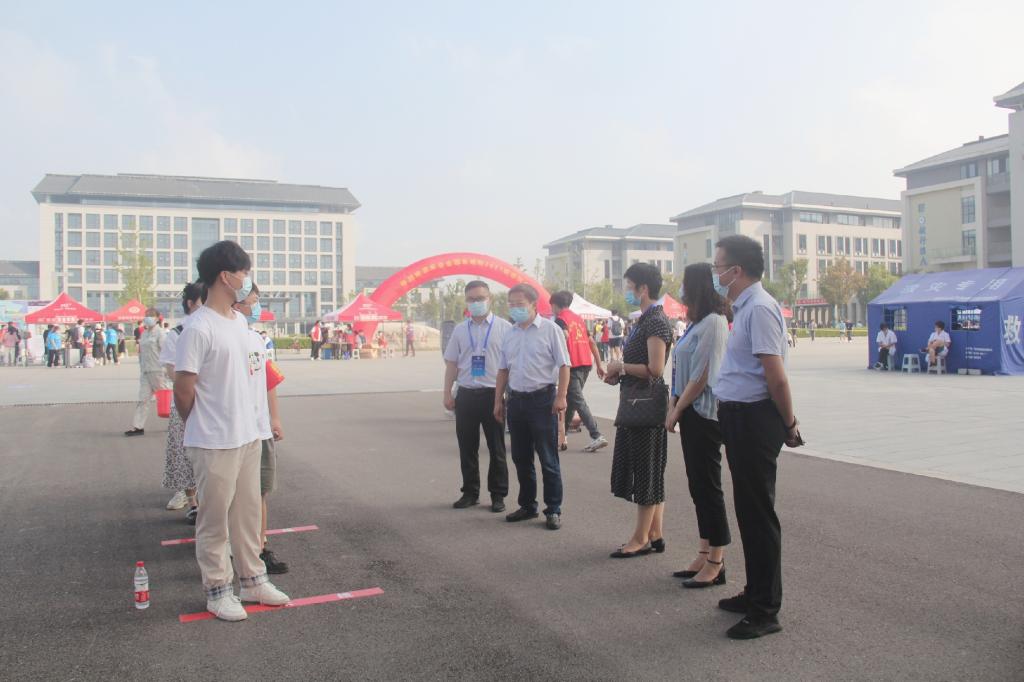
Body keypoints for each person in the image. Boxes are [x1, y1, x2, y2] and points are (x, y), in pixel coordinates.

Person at [173, 240, 289, 622]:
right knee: (214, 521)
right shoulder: (198, 328)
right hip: (214, 441)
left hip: (248, 436)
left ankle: (253, 580)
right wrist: (200, 423)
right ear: (226, 276)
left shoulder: (240, 323)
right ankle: (218, 590)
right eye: (243, 273)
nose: (247, 280)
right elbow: (183, 389)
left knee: (248, 515)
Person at [711, 235, 802, 640]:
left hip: (754, 419)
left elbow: (776, 376)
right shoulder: (744, 308)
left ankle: (766, 610)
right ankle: (755, 592)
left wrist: (789, 423)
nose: (715, 274)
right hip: (738, 417)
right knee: (748, 511)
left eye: (718, 267)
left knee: (758, 514)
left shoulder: (761, 309)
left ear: (737, 271)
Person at [664, 263, 731, 587]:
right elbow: (681, 369)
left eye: (684, 284)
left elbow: (703, 373)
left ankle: (717, 561)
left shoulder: (715, 322)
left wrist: (677, 409)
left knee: (708, 487)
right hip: (688, 411)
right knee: (697, 487)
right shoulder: (696, 323)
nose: (681, 291)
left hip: (703, 414)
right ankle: (704, 552)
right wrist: (673, 404)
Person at [604, 263, 674, 558]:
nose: (627, 292)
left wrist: (621, 366)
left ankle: (640, 538)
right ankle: (655, 533)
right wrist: (619, 373)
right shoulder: (645, 319)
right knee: (650, 471)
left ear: (643, 289)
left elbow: (655, 368)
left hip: (645, 408)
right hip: (636, 402)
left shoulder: (655, 321)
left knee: (646, 472)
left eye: (630, 286)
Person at [493, 283, 570, 531]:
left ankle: (553, 509)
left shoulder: (550, 330)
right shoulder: (510, 334)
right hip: (516, 401)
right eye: (511, 304)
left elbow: (564, 365)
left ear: (533, 304)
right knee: (521, 457)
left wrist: (561, 396)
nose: (515, 308)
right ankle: (527, 505)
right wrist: (498, 400)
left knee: (548, 458)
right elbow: (503, 369)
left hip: (542, 400)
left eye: (520, 304)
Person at [233, 282, 289, 575]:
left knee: (260, 492)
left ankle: (259, 547)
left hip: (259, 429)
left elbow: (269, 381)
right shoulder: (217, 336)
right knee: (229, 497)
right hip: (231, 433)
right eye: (252, 301)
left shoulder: (257, 339)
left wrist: (274, 418)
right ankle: (231, 551)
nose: (256, 307)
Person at [443, 281, 512, 513]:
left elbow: (510, 365)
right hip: (466, 395)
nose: (476, 303)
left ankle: (498, 495)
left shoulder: (504, 328)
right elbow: (452, 363)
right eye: (471, 299)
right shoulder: (460, 330)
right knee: (467, 447)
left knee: (497, 448)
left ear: (490, 299)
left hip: (493, 395)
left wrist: (505, 395)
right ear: (466, 302)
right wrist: (447, 393)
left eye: (480, 298)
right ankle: (470, 492)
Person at [161, 283, 204, 521]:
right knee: (185, 452)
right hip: (186, 400)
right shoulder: (177, 333)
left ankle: (206, 499)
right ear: (190, 303)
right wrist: (189, 385)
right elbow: (171, 370)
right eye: (202, 301)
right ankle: (192, 501)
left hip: (209, 401)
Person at [549, 291, 608, 453]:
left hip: (572, 366)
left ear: (554, 305)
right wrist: (599, 364)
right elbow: (591, 342)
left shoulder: (561, 320)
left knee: (577, 401)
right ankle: (562, 437)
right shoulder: (578, 319)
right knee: (571, 401)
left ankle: (596, 435)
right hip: (586, 363)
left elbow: (563, 336)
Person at [124, 309, 169, 437]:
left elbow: (166, 352)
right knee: (143, 399)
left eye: (151, 316)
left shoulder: (161, 333)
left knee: (166, 400)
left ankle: (177, 423)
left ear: (157, 318)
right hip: (145, 371)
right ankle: (138, 426)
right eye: (146, 316)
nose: (148, 318)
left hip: (158, 371)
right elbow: (141, 352)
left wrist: (167, 369)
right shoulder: (144, 334)